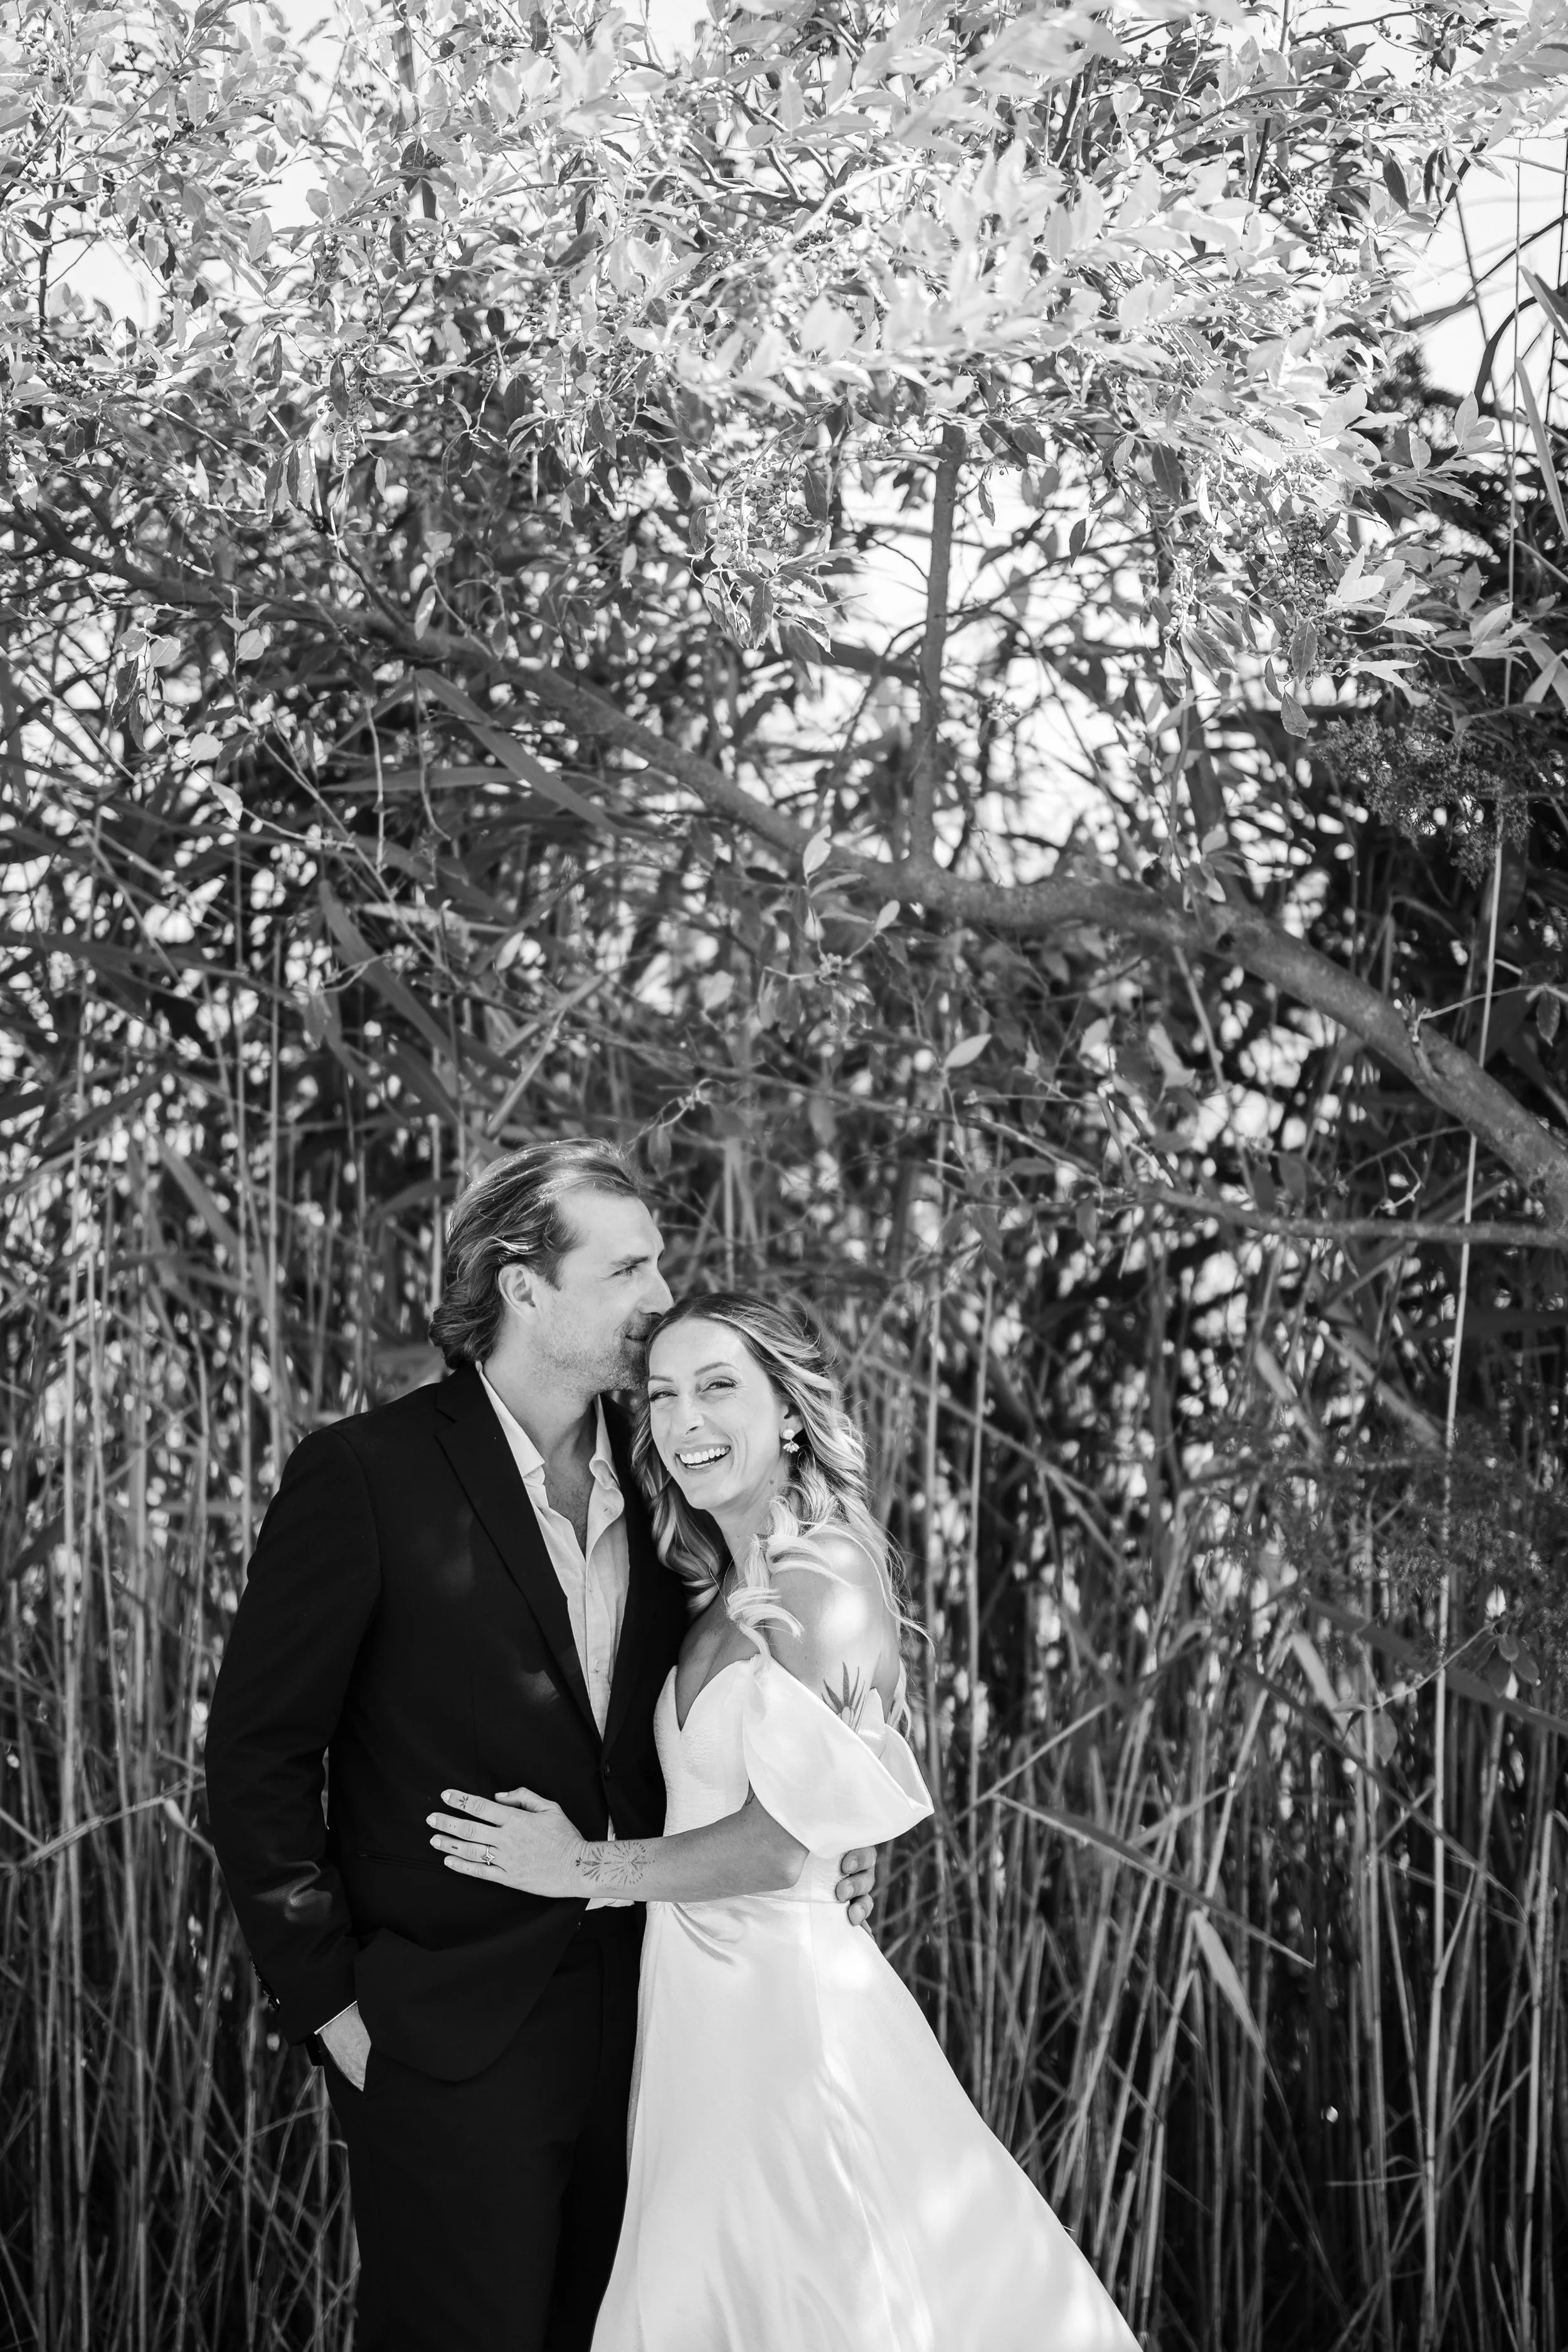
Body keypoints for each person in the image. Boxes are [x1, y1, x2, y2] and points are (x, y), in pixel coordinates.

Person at [204, 1143, 879, 2352]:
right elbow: (257, 1754)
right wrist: (335, 2011)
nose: (660, 1296)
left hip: (667, 2048)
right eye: (628, 1268)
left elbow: (773, 1708)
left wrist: (837, 1821)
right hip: (449, 2049)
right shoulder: (365, 1477)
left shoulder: (667, 1474)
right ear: (524, 1287)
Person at [428, 1291, 1141, 2351]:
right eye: (663, 1393)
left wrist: (570, 1863)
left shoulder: (827, 1572)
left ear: (792, 1412)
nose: (684, 1419)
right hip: (699, 2034)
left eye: (719, 1386)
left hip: (791, 2031)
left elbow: (780, 1844)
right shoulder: (711, 1591)